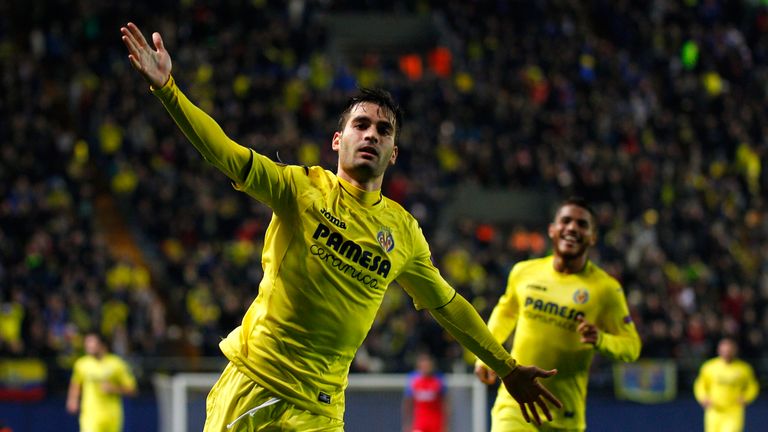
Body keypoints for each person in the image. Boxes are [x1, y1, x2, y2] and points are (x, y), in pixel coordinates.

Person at [120, 21, 562, 432]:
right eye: (361, 124)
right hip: (256, 383)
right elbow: (226, 154)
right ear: (338, 140)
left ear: (393, 153)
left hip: (322, 408)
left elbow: (449, 306)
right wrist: (169, 91)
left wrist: (506, 366)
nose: (371, 134)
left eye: (383, 130)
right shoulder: (300, 189)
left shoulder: (403, 232)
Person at [475, 197, 641, 431]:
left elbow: (631, 347)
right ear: (552, 230)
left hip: (565, 413)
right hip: (515, 403)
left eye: (582, 224)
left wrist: (602, 340)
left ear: (593, 237)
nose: (572, 227)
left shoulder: (606, 289)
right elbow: (505, 314)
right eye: (566, 221)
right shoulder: (524, 272)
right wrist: (485, 356)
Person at [66, 331, 137, 432]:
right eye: (86, 342)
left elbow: (132, 390)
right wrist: (72, 400)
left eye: (91, 342)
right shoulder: (82, 364)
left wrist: (113, 388)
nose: (87, 345)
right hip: (90, 416)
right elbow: (76, 383)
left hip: (112, 416)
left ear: (102, 344)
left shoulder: (117, 364)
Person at [694, 338, 759, 432]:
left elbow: (752, 385)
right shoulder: (709, 367)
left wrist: (747, 397)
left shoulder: (744, 369)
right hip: (714, 411)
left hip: (734, 411)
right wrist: (703, 397)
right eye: (724, 351)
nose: (726, 353)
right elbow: (700, 384)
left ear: (735, 351)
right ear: (719, 350)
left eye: (729, 351)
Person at [401, 352, 449, 432]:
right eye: (423, 362)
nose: (425, 365)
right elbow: (407, 403)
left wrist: (446, 425)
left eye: (427, 363)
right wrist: (406, 424)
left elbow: (445, 403)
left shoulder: (438, 379)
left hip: (436, 423)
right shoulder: (414, 379)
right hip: (419, 423)